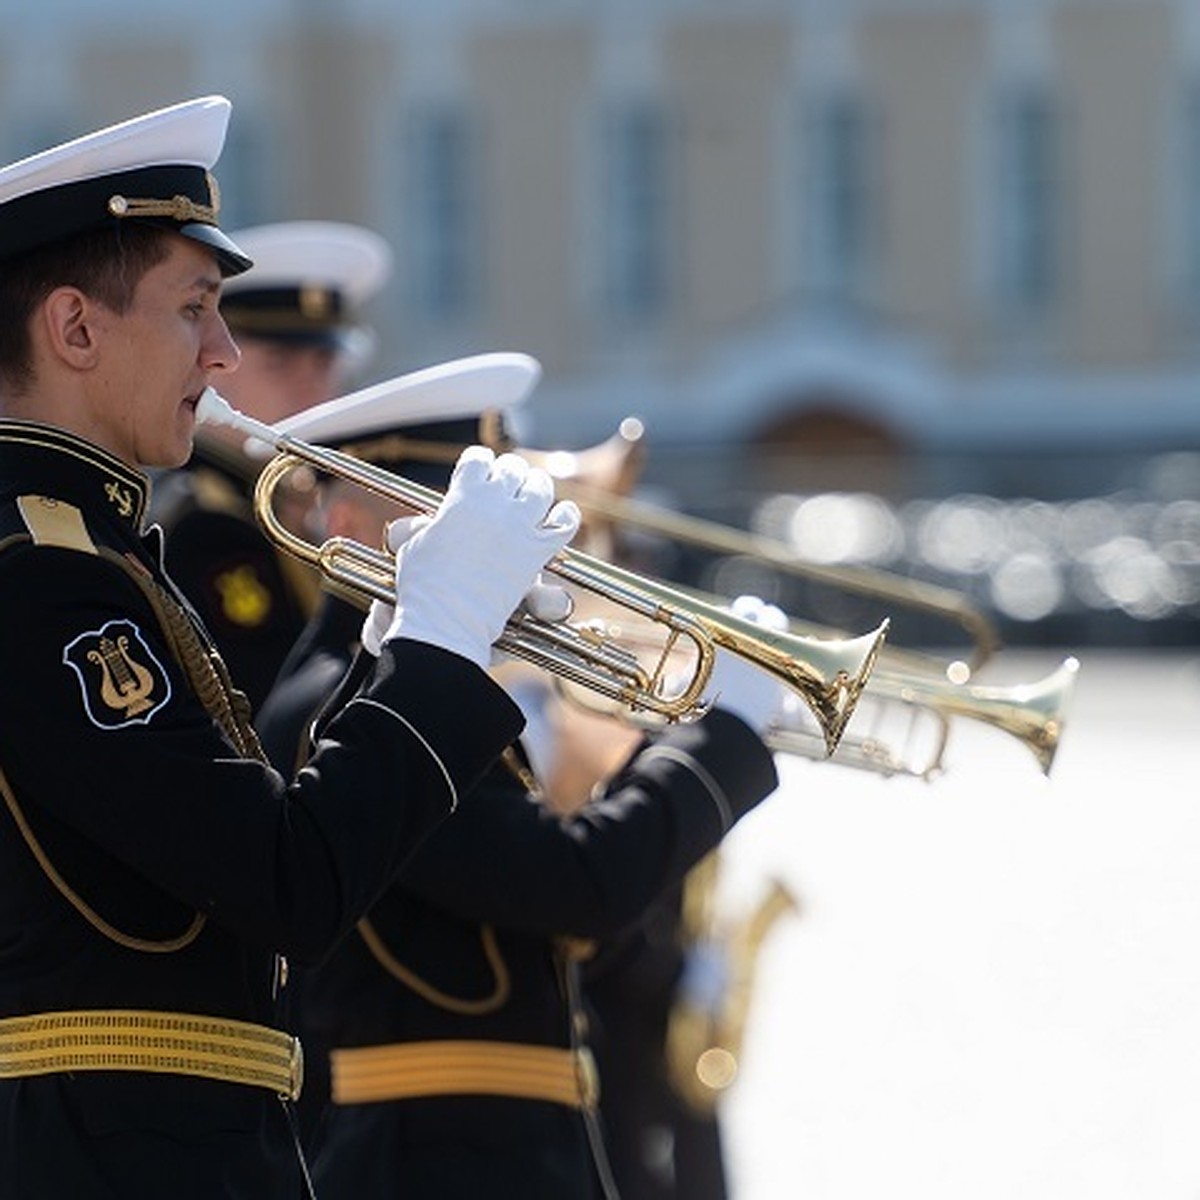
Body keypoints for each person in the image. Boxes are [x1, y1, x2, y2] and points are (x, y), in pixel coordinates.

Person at [0, 94, 578, 1200]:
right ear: (74, 329)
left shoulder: (92, 556)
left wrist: (406, 640)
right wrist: (439, 643)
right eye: (195, 310)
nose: (222, 354)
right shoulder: (46, 578)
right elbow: (290, 883)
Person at [253, 377, 788, 1199]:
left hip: (487, 1146)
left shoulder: (415, 692)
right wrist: (719, 742)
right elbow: (574, 886)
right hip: (433, 1156)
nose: (498, 540)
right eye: (457, 510)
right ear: (345, 517)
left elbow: (562, 933)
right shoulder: (348, 700)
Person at [152, 218, 392, 711]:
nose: (313, 390)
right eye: (281, 363)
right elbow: (272, 703)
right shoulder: (203, 523)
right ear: (212, 360)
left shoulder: (293, 498)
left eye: (324, 364)